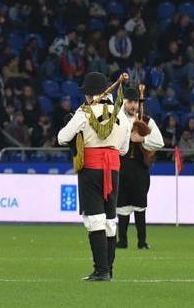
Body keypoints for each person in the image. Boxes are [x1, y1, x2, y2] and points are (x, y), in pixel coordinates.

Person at [57, 72, 132, 281]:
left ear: (90, 94)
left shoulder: (84, 112)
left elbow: (62, 138)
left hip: (91, 169)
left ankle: (101, 270)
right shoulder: (122, 115)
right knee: (110, 219)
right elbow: (124, 150)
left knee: (94, 219)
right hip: (113, 169)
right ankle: (108, 269)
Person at [117, 85, 163, 250]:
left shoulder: (147, 120)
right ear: (124, 102)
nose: (133, 105)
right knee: (121, 206)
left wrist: (141, 140)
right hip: (121, 168)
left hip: (140, 169)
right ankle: (122, 241)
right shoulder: (116, 120)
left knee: (139, 206)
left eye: (135, 101)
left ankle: (141, 241)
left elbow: (159, 142)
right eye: (129, 101)